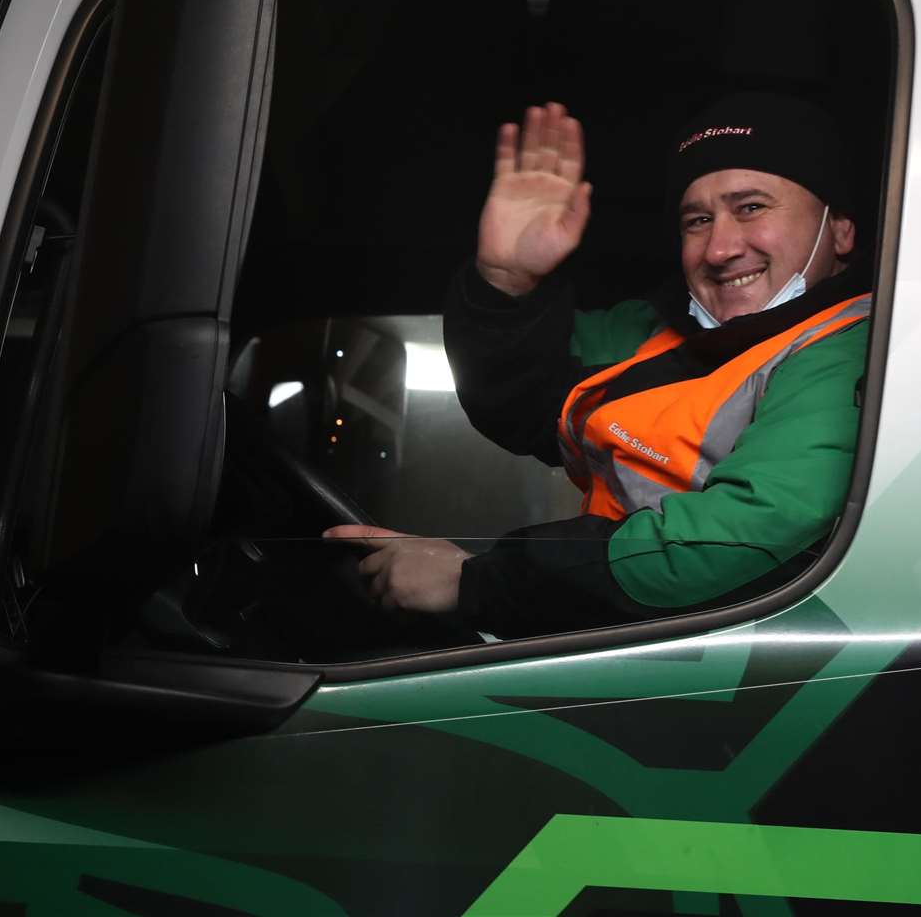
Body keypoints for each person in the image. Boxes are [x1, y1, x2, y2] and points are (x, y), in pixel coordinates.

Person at [324, 93, 870, 638]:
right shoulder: (653, 331)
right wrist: (506, 282)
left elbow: (752, 525)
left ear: (840, 229)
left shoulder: (851, 349)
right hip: (612, 647)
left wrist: (475, 582)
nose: (719, 248)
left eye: (751, 208)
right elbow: (524, 404)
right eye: (697, 220)